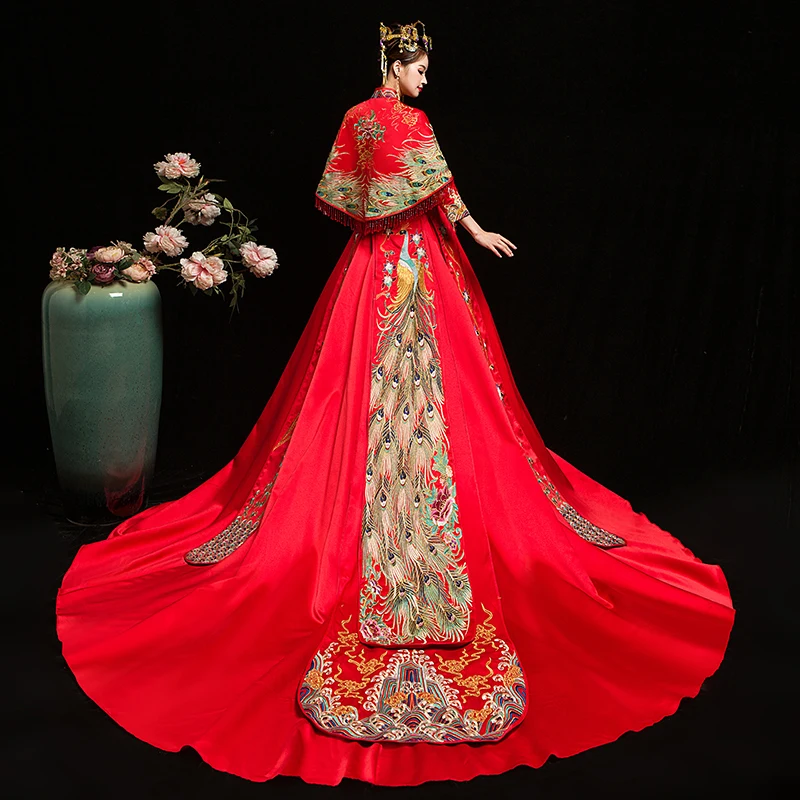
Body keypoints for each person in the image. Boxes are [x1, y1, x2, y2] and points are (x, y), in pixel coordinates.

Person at [56, 20, 735, 786]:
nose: (425, 79)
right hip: (421, 263)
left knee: (346, 389)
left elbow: (341, 196)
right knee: (442, 396)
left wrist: (406, 219)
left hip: (370, 267)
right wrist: (473, 230)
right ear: (397, 61)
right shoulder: (408, 122)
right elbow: (439, 190)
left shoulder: (356, 120)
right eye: (420, 67)